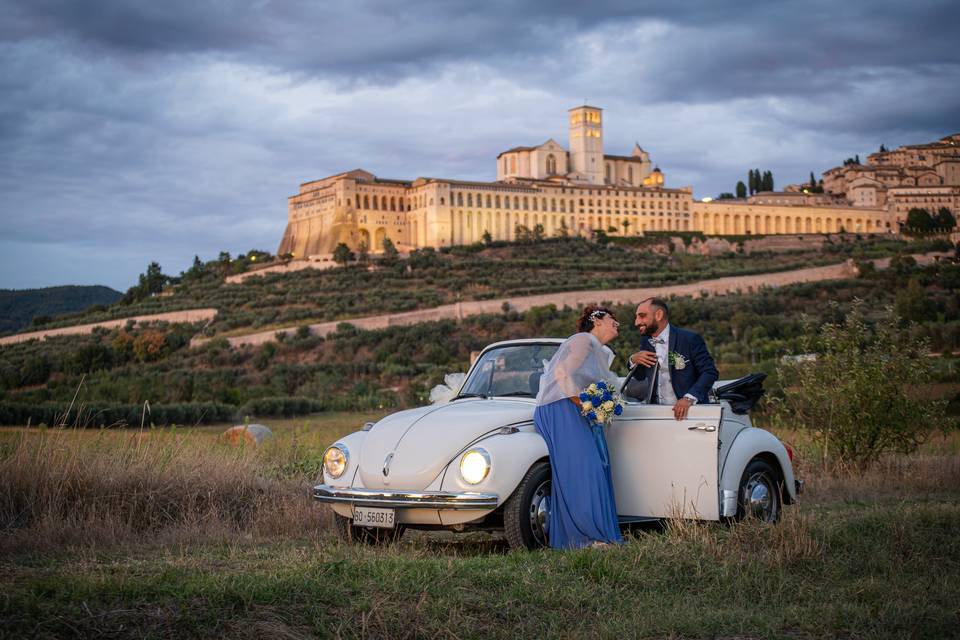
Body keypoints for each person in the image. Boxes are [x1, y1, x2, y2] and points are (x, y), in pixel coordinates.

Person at [534, 305, 624, 549]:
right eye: (611, 318)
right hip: (561, 408)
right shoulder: (584, 339)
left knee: (591, 467)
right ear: (596, 321)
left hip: (573, 408)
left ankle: (587, 535)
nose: (617, 322)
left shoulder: (599, 350)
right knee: (585, 469)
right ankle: (586, 536)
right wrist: (584, 402)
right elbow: (563, 373)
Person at [628, 297, 718, 421]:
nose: (636, 322)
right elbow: (640, 376)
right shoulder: (646, 341)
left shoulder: (689, 339)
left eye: (642, 316)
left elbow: (709, 372)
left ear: (659, 315)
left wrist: (689, 398)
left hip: (690, 414)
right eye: (636, 317)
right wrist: (633, 360)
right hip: (657, 415)